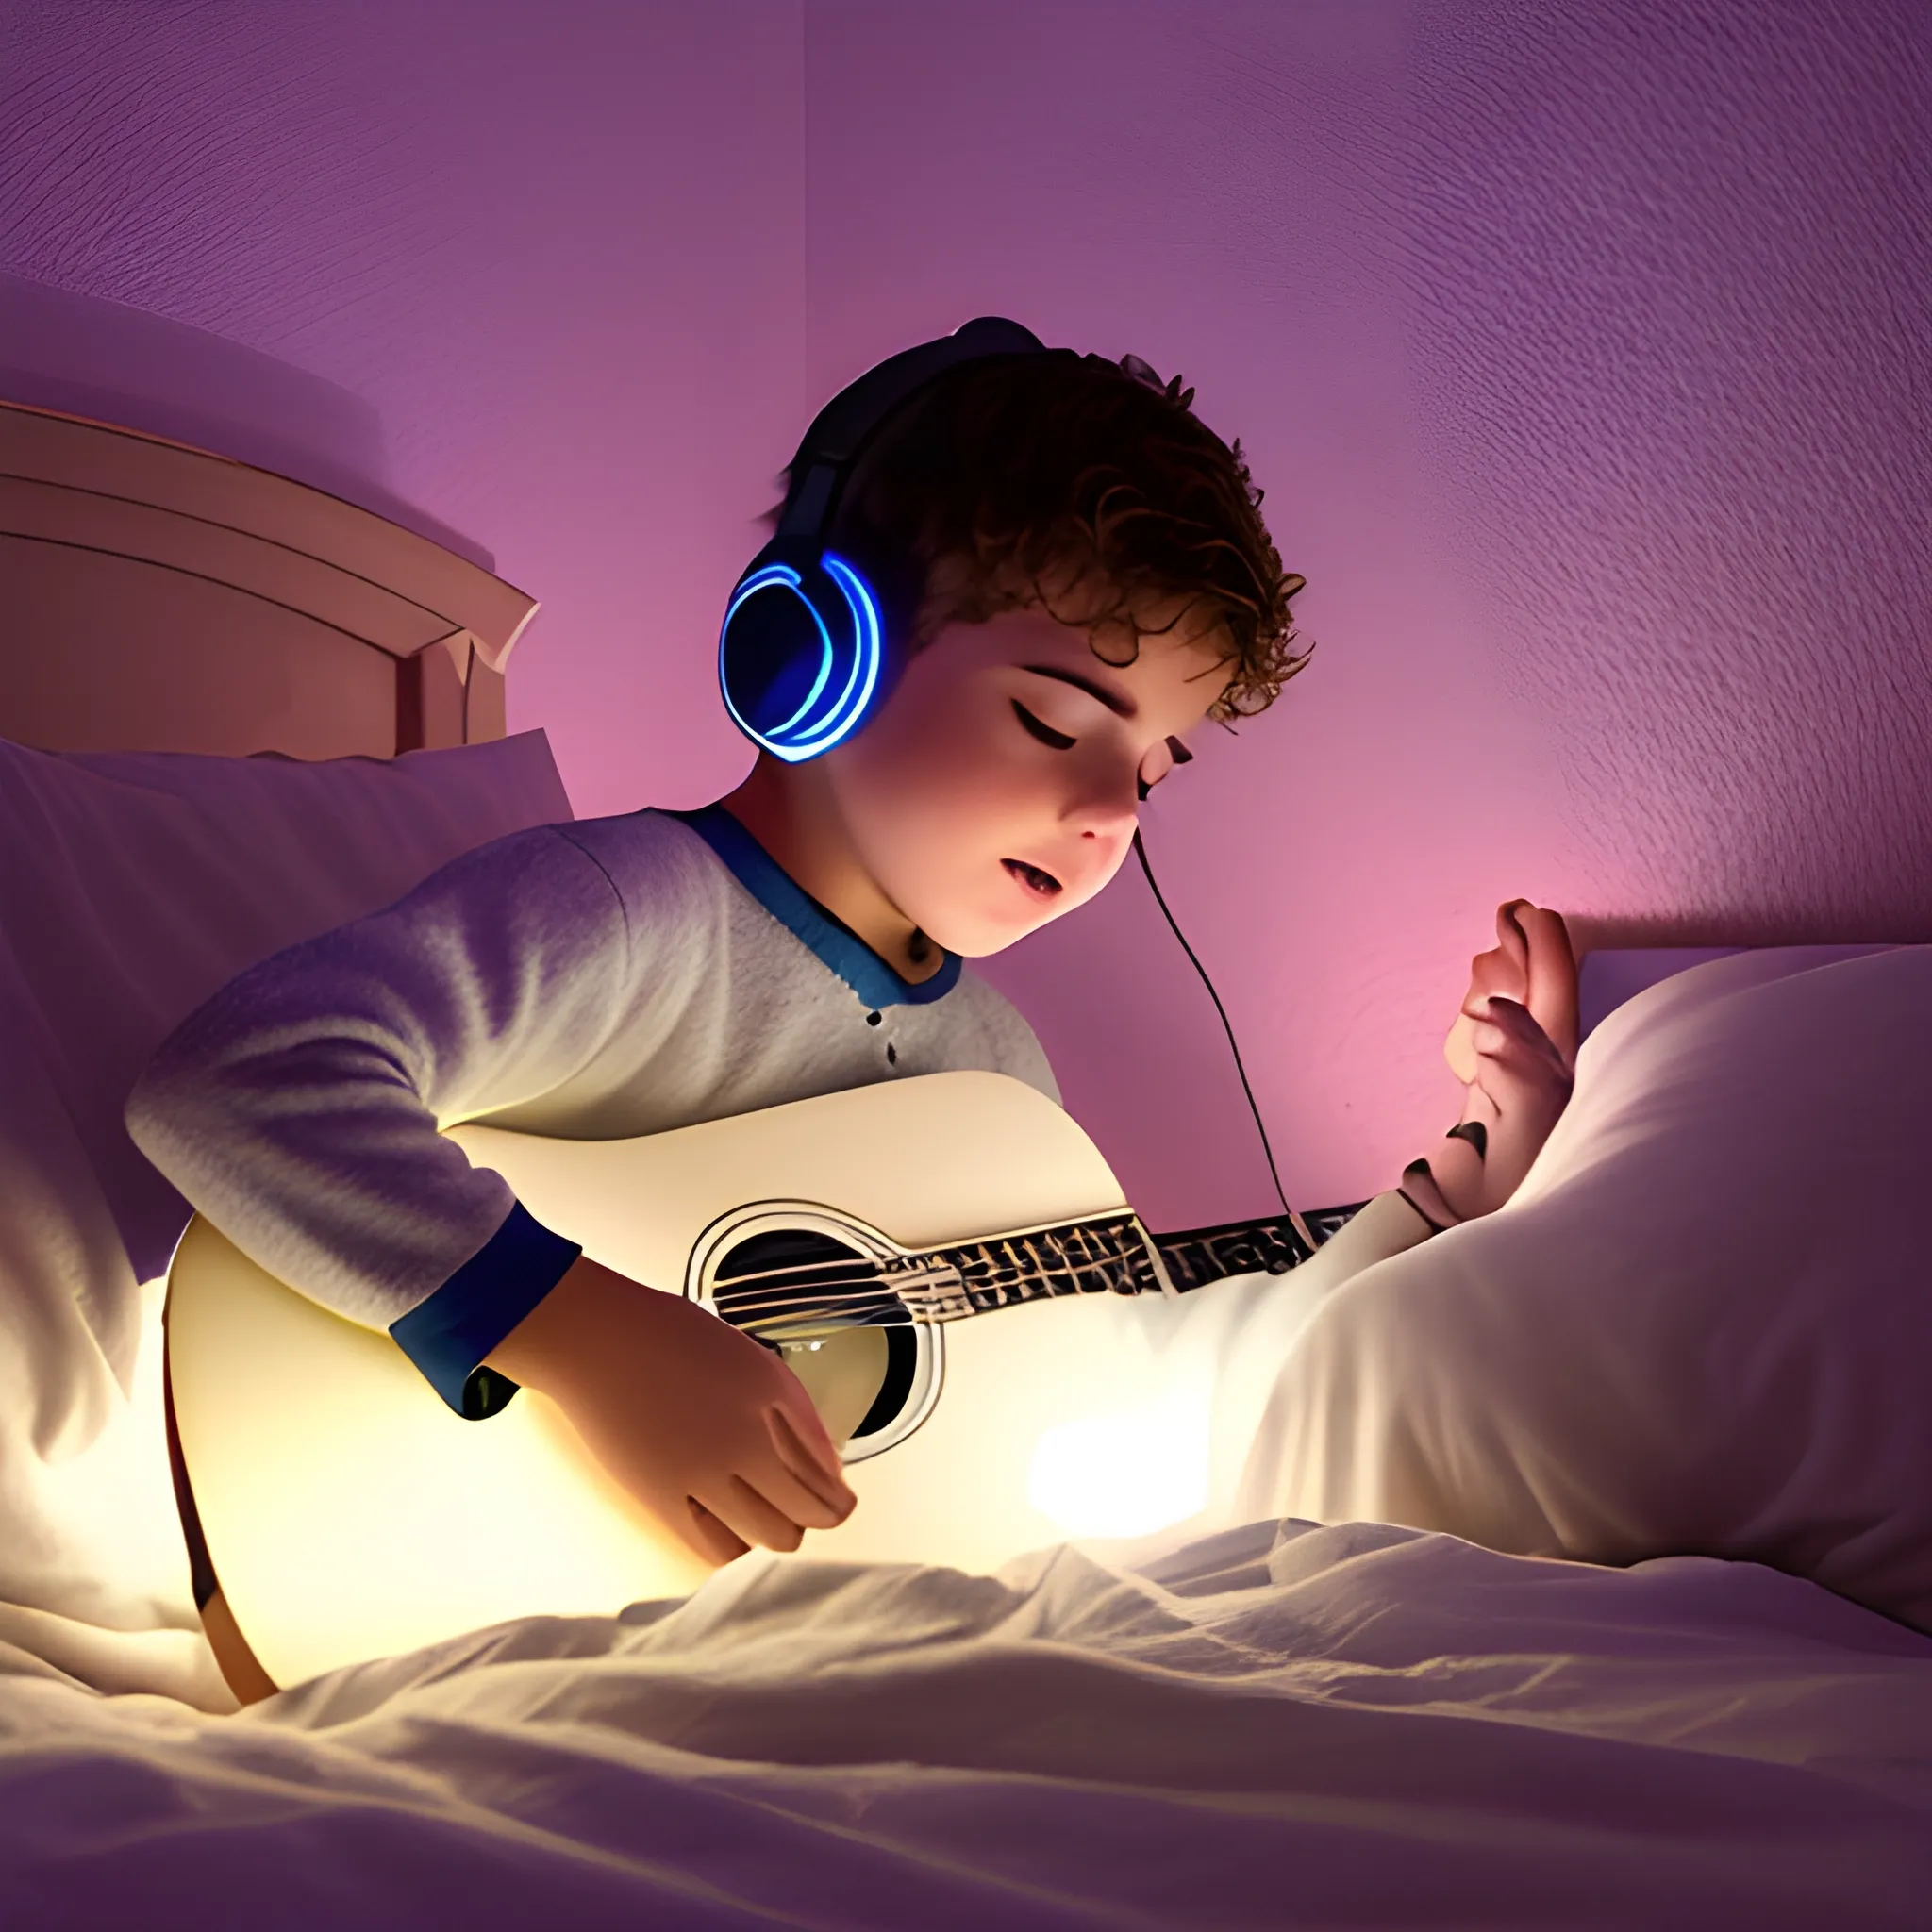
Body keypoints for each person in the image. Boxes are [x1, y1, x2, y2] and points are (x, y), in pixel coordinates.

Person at [127, 328, 1577, 1592]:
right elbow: (240, 1076)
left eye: (1155, 765)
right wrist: (584, 1339)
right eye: (1057, 723)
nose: (1109, 814)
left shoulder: (1000, 1074)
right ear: (813, 654)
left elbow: (1131, 1366)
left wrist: (1451, 1193)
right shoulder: (630, 914)